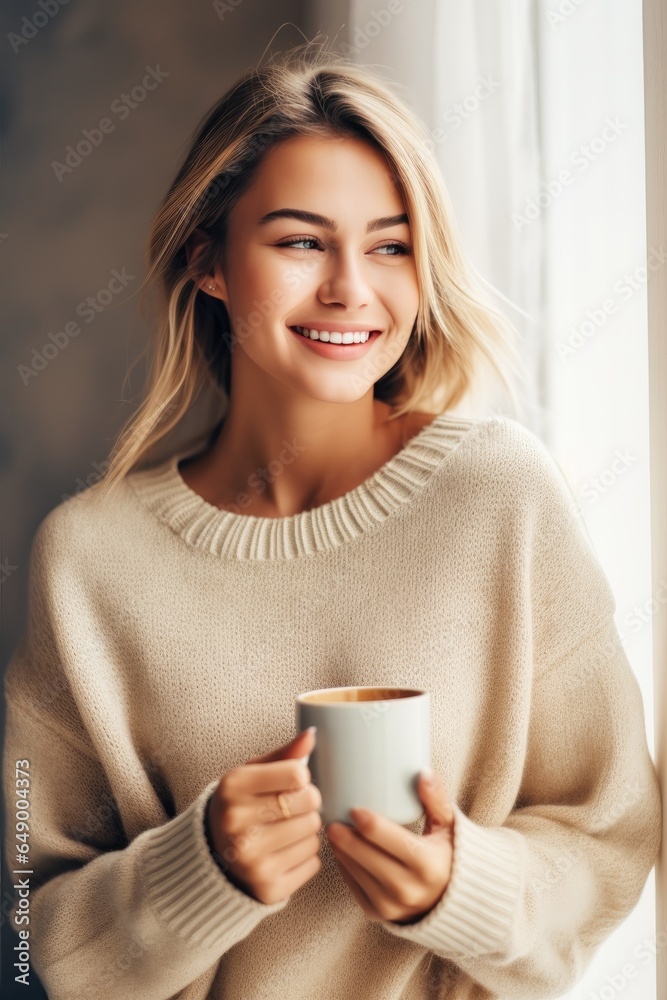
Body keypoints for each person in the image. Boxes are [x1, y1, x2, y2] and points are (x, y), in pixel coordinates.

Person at [2, 36, 661, 1000]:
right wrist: (201, 874)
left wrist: (461, 886)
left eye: (391, 245)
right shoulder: (89, 561)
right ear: (209, 262)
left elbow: (611, 836)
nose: (352, 287)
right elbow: (30, 928)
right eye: (302, 241)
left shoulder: (500, 498)